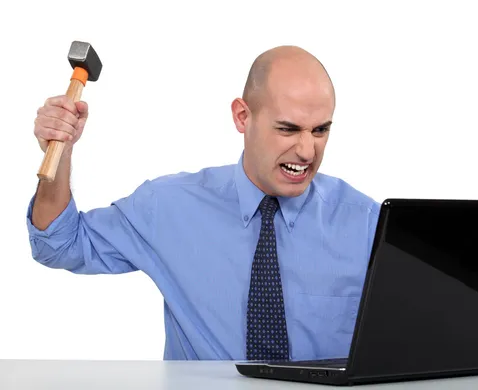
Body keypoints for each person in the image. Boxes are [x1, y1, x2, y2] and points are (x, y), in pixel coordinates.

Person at [27, 45, 381, 361]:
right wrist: (62, 151)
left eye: (320, 130)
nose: (307, 151)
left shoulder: (367, 223)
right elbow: (60, 245)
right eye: (288, 129)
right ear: (243, 117)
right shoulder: (168, 207)